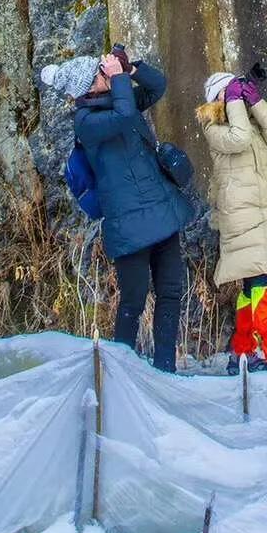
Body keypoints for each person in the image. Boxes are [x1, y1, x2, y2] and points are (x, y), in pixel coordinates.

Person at [68, 51, 192, 373]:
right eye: (100, 73)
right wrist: (120, 79)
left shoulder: (119, 98)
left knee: (170, 291)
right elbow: (123, 115)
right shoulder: (86, 123)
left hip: (160, 212)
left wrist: (131, 68)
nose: (105, 74)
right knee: (133, 301)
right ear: (87, 88)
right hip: (129, 224)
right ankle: (120, 373)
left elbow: (158, 87)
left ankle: (165, 368)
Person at [196, 71, 267, 372]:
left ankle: (242, 352)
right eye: (230, 93)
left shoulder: (247, 121)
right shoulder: (213, 127)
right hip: (242, 218)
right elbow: (239, 139)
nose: (237, 97)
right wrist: (233, 99)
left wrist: (255, 100)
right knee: (264, 282)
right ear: (219, 98)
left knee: (251, 287)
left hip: (260, 214)